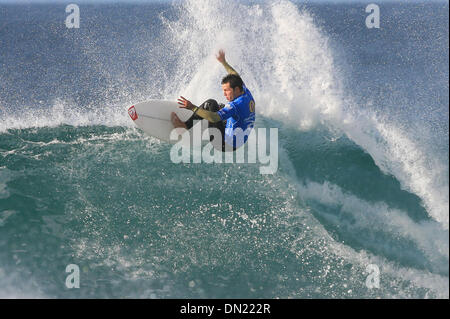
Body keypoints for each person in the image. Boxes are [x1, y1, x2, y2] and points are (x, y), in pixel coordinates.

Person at [171, 50, 256, 152]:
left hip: (223, 144)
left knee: (210, 104)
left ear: (236, 89)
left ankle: (185, 126)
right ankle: (204, 121)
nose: (224, 94)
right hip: (239, 140)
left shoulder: (236, 105)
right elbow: (235, 75)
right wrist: (224, 62)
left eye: (226, 90)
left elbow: (214, 118)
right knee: (220, 106)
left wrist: (192, 107)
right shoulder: (245, 92)